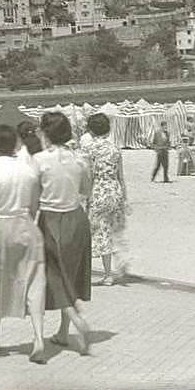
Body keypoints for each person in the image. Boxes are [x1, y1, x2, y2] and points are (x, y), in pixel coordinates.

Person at [0, 124, 47, 364]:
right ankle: (38, 339)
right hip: (27, 225)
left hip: (2, 229)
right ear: (16, 143)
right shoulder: (28, 171)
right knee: (35, 284)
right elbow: (36, 205)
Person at [33, 111, 93, 356]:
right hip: (77, 219)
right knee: (70, 274)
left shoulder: (39, 160)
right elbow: (86, 191)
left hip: (51, 218)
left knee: (53, 275)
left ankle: (75, 319)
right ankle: (63, 331)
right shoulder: (80, 159)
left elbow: (33, 194)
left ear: (47, 133)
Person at [80, 113, 127, 287]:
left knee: (100, 234)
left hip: (98, 191)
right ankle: (116, 268)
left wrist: (86, 197)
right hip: (115, 190)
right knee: (113, 231)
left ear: (91, 130)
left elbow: (89, 176)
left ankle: (106, 274)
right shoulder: (115, 148)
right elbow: (121, 177)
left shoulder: (89, 150)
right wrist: (125, 199)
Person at [150, 119, 172, 184]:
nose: (165, 127)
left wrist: (169, 146)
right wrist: (156, 149)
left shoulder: (167, 133)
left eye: (166, 126)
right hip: (160, 151)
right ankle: (153, 177)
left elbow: (168, 142)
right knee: (158, 165)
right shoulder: (157, 133)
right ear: (161, 126)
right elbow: (153, 142)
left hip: (165, 151)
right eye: (164, 126)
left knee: (166, 165)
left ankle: (166, 178)